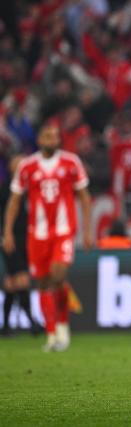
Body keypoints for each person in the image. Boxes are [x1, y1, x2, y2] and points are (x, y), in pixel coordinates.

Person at [3, 125, 92, 352]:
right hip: (37, 234)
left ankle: (62, 327)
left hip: (63, 231)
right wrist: (8, 232)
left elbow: (84, 197)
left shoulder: (71, 162)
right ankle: (51, 334)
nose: (51, 139)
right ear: (39, 140)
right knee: (43, 283)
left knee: (58, 274)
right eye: (46, 136)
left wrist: (88, 230)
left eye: (54, 136)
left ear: (59, 139)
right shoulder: (27, 166)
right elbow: (14, 201)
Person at [1, 155, 40, 336]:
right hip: (11, 239)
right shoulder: (5, 191)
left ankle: (6, 326)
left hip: (28, 238)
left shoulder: (31, 189)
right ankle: (32, 323)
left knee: (11, 282)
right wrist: (5, 235)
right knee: (22, 279)